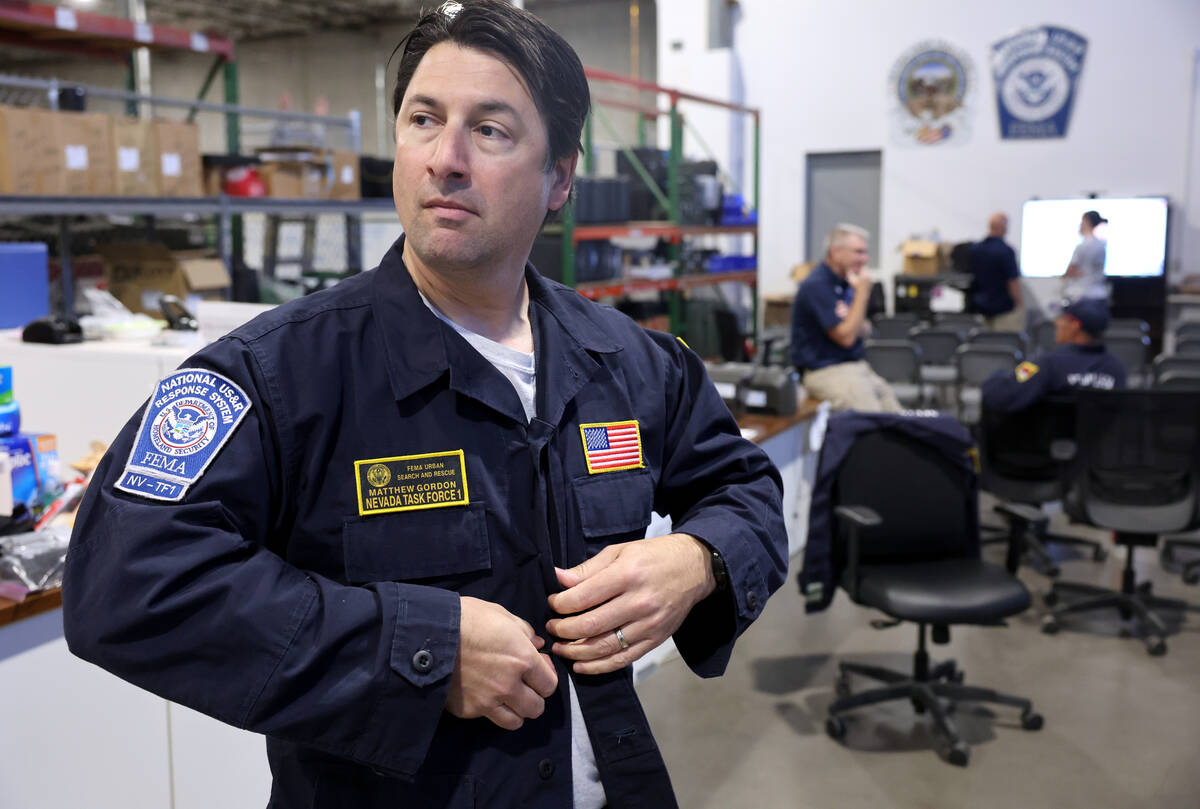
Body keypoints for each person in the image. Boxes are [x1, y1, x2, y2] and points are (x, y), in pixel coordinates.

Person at [61, 3, 788, 808]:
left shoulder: (626, 360)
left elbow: (747, 490)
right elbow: (126, 583)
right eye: (423, 119)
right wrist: (417, 649)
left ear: (561, 177)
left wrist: (697, 561)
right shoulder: (281, 374)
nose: (445, 158)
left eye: (491, 130)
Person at [789, 223, 901, 412]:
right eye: (858, 252)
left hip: (856, 366)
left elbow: (864, 330)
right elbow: (847, 338)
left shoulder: (847, 283)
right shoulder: (817, 285)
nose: (864, 259)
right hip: (825, 371)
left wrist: (855, 311)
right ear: (836, 252)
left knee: (897, 415)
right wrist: (862, 294)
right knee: (875, 419)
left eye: (865, 252)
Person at [981, 298, 1126, 414]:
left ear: (1075, 325)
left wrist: (997, 376)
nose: (1056, 323)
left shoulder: (1045, 363)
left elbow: (1002, 395)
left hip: (1047, 448)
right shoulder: (1117, 368)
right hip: (1098, 449)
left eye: (1063, 319)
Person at [969, 212, 1023, 331]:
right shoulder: (1006, 251)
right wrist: (1019, 303)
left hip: (981, 307)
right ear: (1004, 228)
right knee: (1004, 346)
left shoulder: (976, 249)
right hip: (1004, 309)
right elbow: (1012, 281)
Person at [1062, 209, 1109, 302]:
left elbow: (1071, 270)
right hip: (1098, 296)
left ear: (1086, 222)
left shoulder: (1082, 246)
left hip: (1081, 296)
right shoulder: (1101, 245)